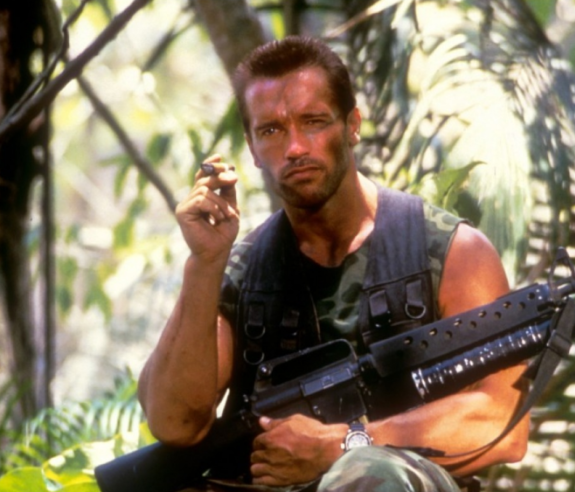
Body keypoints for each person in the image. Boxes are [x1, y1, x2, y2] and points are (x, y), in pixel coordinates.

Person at [137, 35, 528, 491]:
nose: (295, 147)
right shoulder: (246, 273)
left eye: (313, 122)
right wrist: (205, 263)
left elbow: (503, 423)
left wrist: (348, 443)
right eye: (271, 131)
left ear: (352, 125)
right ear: (252, 147)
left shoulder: (451, 252)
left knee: (369, 473)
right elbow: (174, 423)